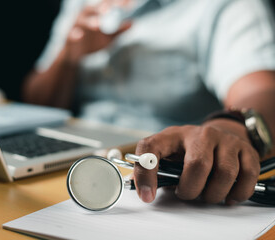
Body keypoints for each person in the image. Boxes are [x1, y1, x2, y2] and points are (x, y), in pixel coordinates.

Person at [23, 0, 275, 205]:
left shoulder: (229, 6)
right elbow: (36, 100)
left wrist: (229, 127)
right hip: (64, 161)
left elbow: (263, 90)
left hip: (170, 179)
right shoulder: (80, 4)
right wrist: (68, 57)